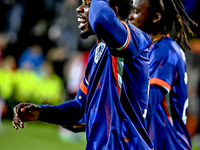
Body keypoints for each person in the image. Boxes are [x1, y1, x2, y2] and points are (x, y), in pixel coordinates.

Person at [12, 0, 154, 149]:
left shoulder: (134, 38)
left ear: (113, 10)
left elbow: (100, 18)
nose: (79, 9)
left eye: (87, 5)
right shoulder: (97, 52)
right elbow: (79, 109)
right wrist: (40, 112)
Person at [127, 0, 198, 149]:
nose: (130, 16)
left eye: (135, 11)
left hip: (169, 145)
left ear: (156, 17)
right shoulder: (145, 50)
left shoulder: (164, 50)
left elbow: (146, 106)